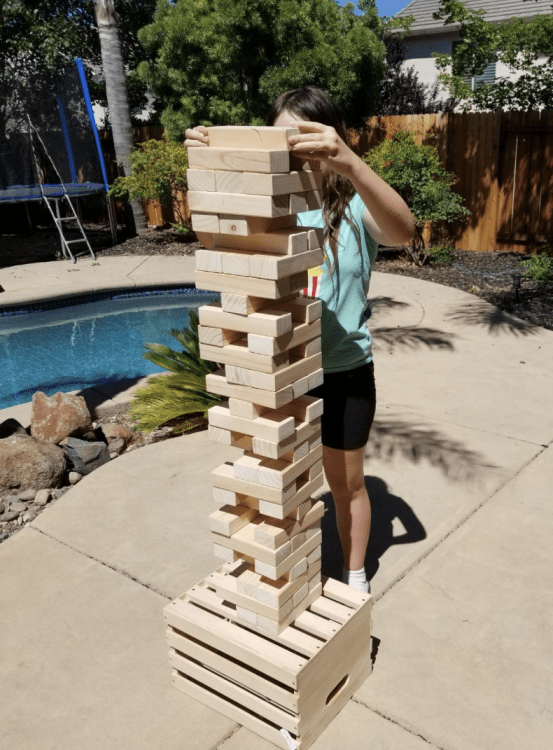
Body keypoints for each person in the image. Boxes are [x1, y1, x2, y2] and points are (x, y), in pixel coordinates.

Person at [185, 86, 415, 592]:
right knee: (278, 482)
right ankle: (283, 574)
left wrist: (352, 164)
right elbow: (213, 242)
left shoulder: (354, 205)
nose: (301, 154)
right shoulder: (266, 207)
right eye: (288, 142)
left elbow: (404, 231)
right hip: (279, 375)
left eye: (310, 141)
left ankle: (354, 577)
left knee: (345, 483)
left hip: (343, 371)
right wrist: (209, 168)